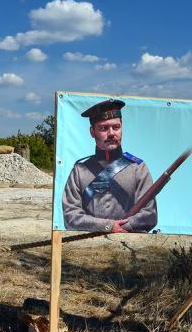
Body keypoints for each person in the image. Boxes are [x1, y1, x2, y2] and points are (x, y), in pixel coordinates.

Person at [62, 99, 157, 233]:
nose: (111, 133)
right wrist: (108, 227)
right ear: (92, 132)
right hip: (88, 245)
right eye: (103, 128)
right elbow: (70, 216)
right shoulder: (79, 171)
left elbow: (149, 215)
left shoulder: (138, 168)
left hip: (131, 241)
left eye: (116, 127)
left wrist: (123, 228)